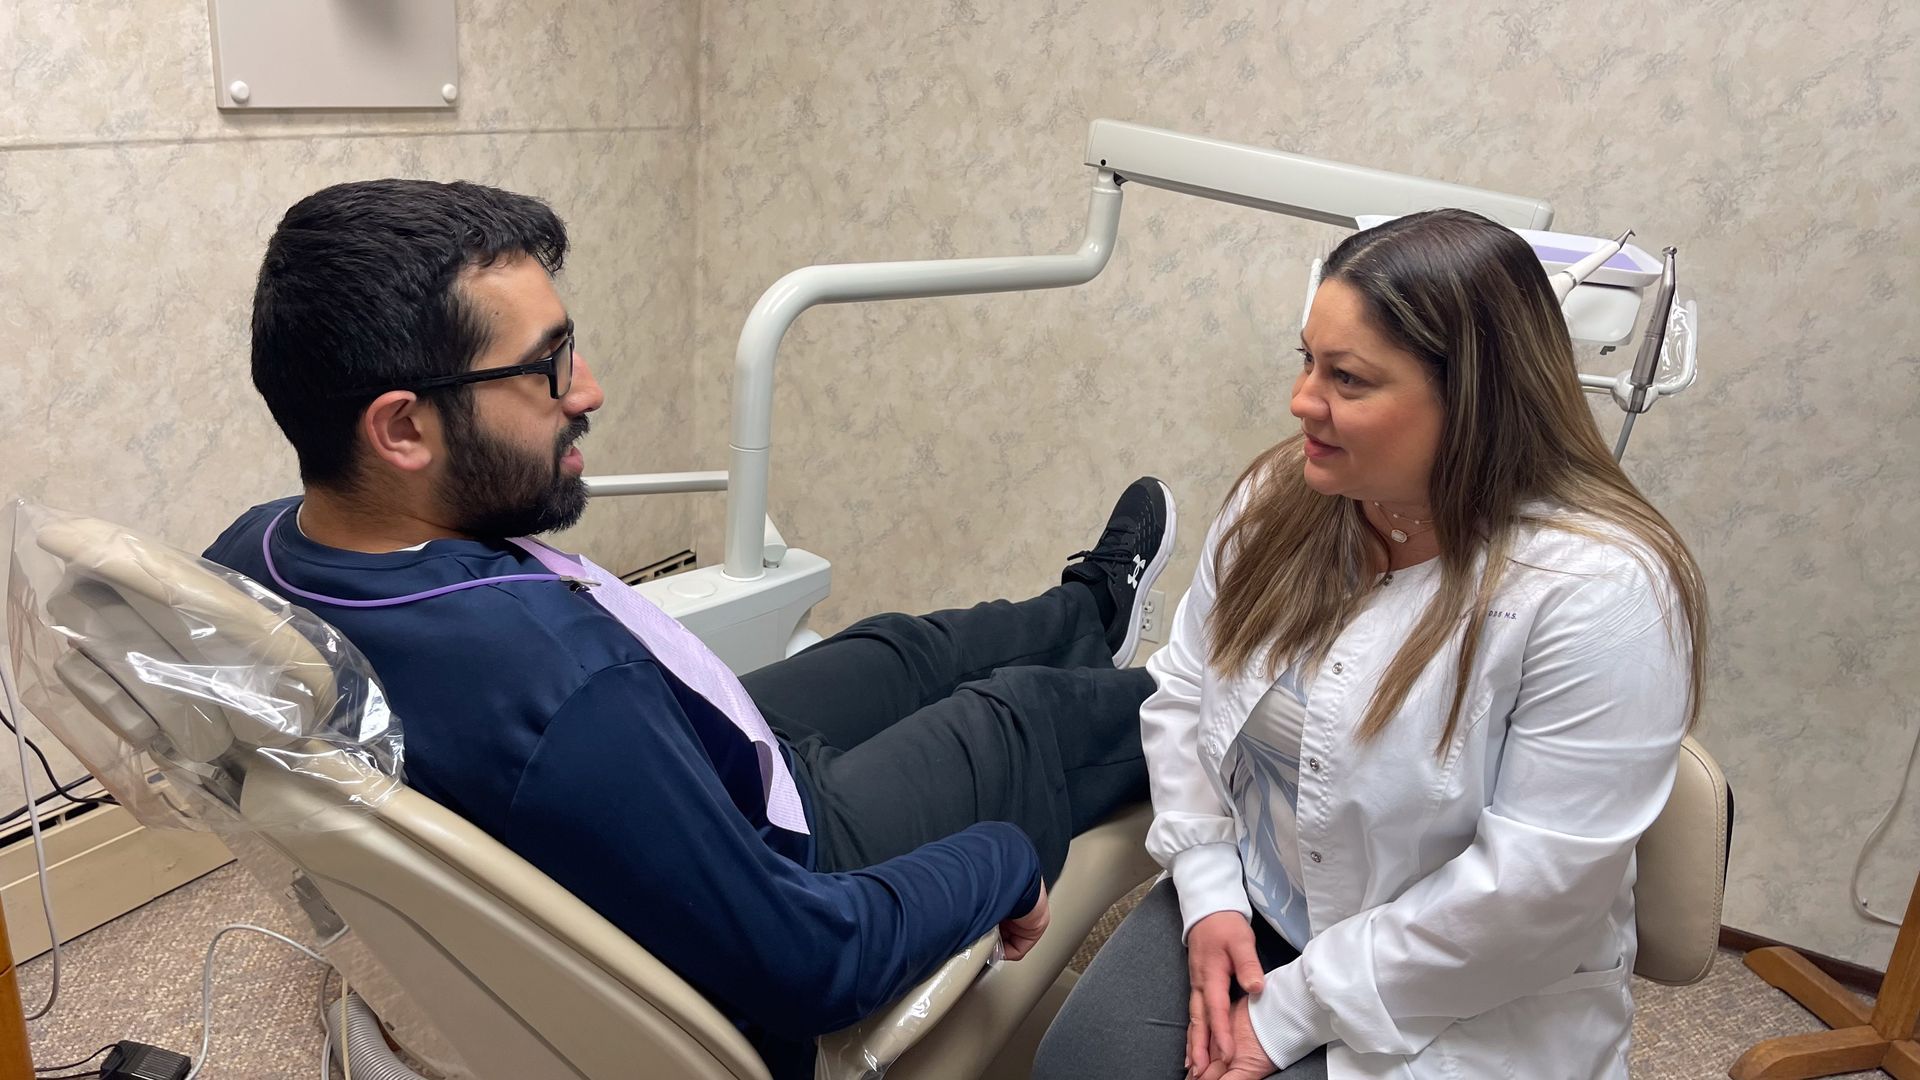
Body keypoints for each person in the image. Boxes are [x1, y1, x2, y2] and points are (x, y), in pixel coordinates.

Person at [202, 179, 1169, 1078]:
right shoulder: (561, 688)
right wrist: (1000, 860)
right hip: (794, 851)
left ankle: (1091, 609)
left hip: (698, 759)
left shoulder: (258, 555)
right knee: (1022, 718)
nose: (587, 391)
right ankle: (1230, 703)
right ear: (402, 430)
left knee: (901, 648)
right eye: (545, 367)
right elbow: (807, 963)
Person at [1034, 209, 1707, 1080]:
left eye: (1347, 378)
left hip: (1469, 984)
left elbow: (1532, 894)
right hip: (1261, 902)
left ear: (1475, 399)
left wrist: (1293, 1013)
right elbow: (1187, 694)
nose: (1302, 401)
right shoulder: (1283, 498)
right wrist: (1207, 895)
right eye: (1305, 360)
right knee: (1080, 1070)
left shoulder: (1603, 593)